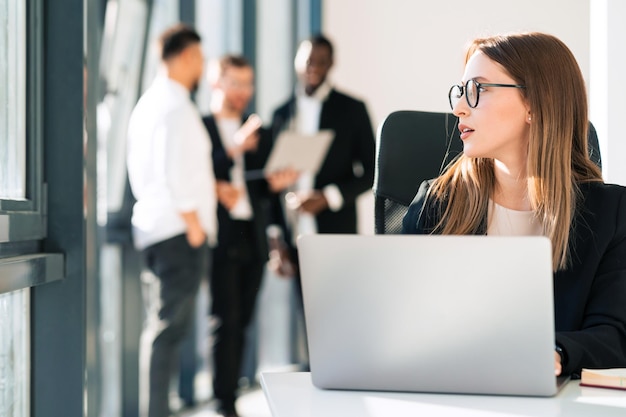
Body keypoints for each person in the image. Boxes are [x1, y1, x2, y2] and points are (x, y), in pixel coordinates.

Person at [402, 32, 626, 378]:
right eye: (461, 92)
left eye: (478, 89)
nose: (459, 107)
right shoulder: (436, 206)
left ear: (536, 104)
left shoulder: (611, 213)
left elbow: (614, 337)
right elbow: (403, 327)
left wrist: (555, 353)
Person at [268, 33, 376, 366]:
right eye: (307, 60)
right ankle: (317, 377)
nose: (313, 67)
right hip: (294, 232)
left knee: (341, 306)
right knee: (305, 311)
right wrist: (275, 237)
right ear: (297, 63)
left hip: (335, 226)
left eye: (320, 60)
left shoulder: (352, 109)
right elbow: (271, 183)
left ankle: (345, 372)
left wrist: (327, 197)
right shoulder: (281, 113)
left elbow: (372, 171)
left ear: (332, 64)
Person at [126, 24, 217, 417]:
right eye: (198, 57)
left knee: (164, 327)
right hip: (178, 232)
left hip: (157, 228)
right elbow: (174, 172)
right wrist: (194, 224)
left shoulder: (149, 103)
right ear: (183, 58)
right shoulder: (175, 105)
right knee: (167, 330)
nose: (201, 65)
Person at [201, 55, 273, 417]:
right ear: (217, 82)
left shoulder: (255, 128)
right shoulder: (202, 126)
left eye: (249, 84)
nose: (244, 92)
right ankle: (223, 402)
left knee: (243, 319)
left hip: (252, 234)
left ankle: (232, 394)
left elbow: (260, 187)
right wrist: (235, 149)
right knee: (224, 319)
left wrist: (275, 183)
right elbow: (199, 171)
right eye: (236, 84)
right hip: (221, 236)